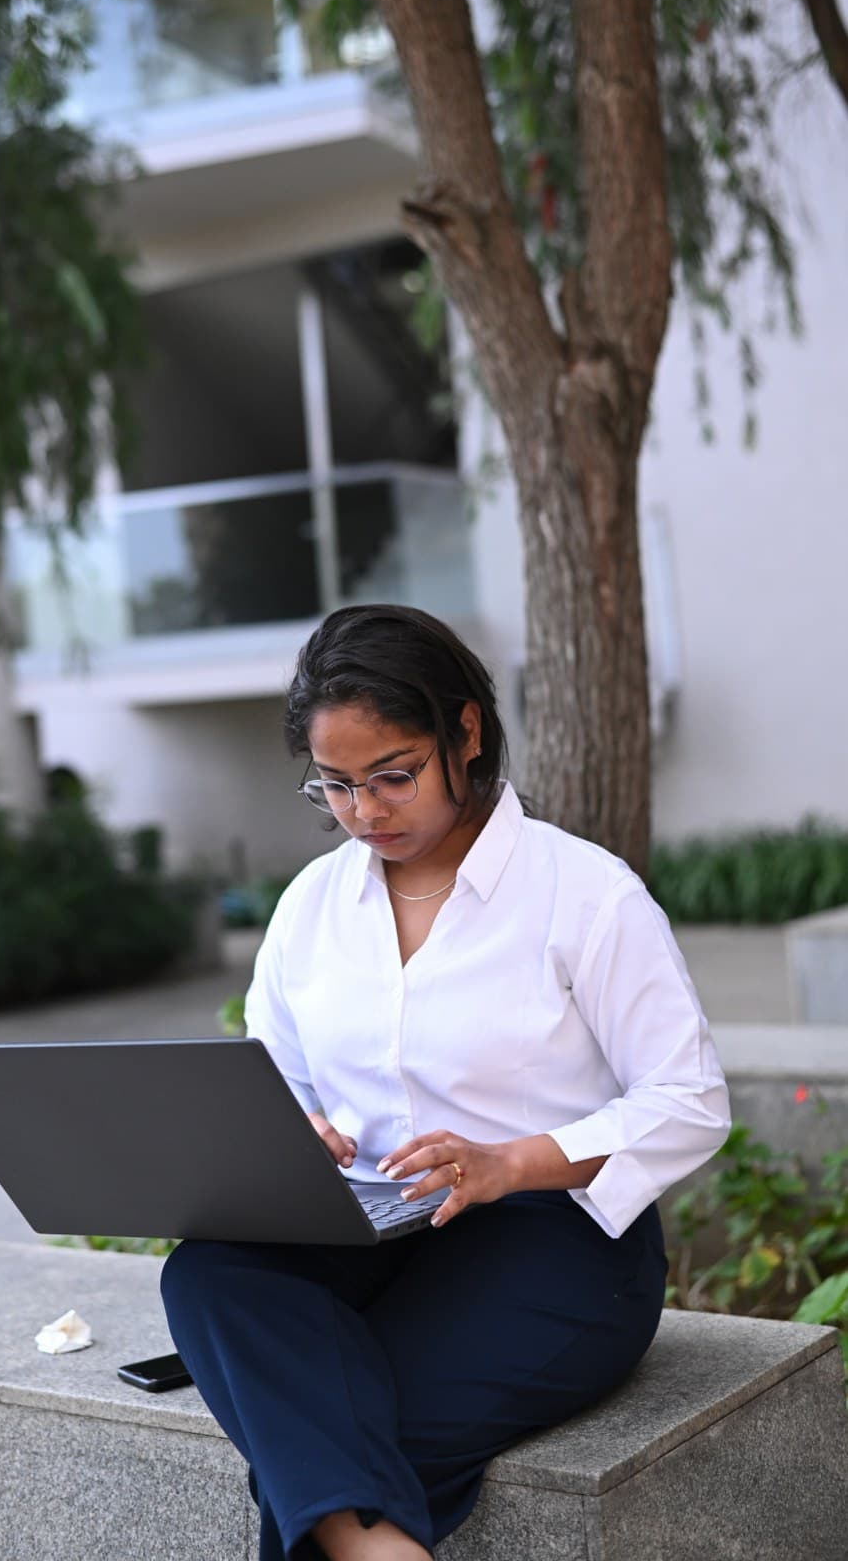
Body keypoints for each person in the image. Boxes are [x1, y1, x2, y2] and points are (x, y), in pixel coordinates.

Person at [161, 604, 731, 1561]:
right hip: (366, 1229)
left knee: (324, 1442)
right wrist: (294, 1128)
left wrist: (508, 1163)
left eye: (393, 775)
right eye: (334, 786)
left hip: (552, 1240)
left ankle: (369, 1543)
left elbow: (689, 1100)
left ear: (464, 731)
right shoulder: (312, 907)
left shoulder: (582, 894)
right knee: (210, 1272)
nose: (365, 812)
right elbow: (274, 1072)